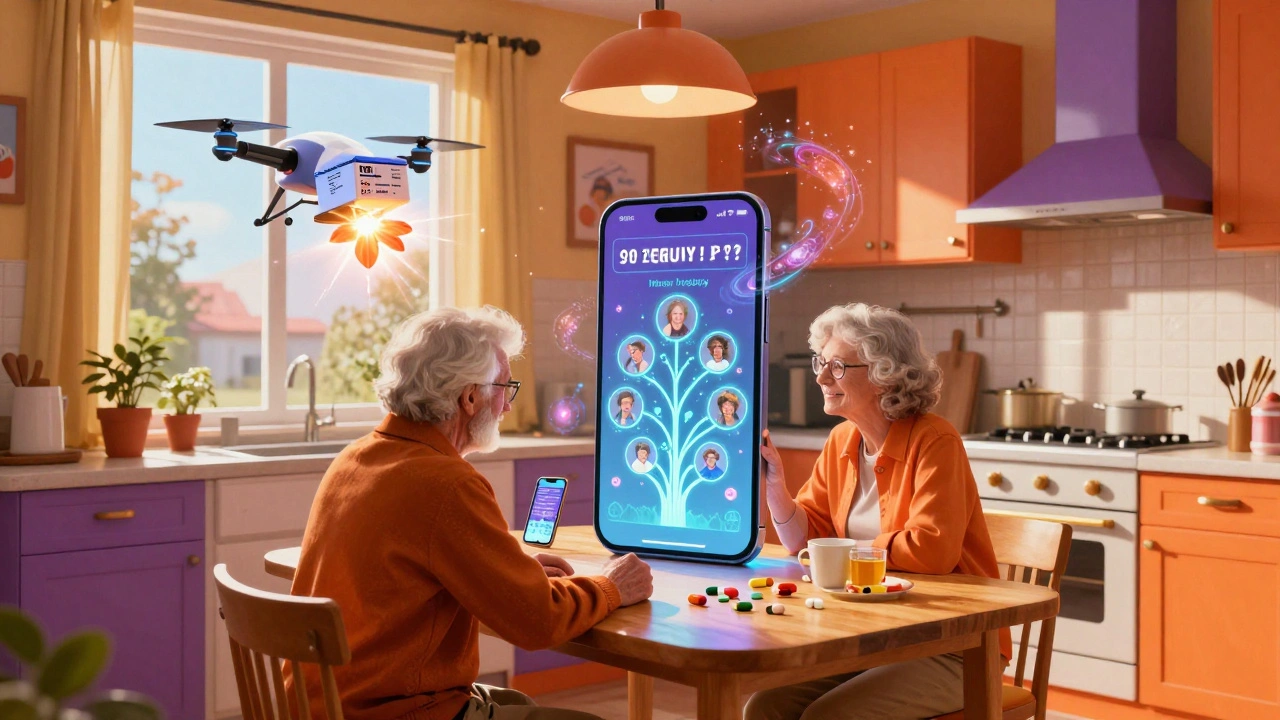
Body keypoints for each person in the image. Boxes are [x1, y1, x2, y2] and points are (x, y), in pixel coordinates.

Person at [288, 306, 654, 720]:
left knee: (520, 705)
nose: (508, 408)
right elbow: (536, 623)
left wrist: (512, 572)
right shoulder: (445, 482)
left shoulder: (355, 457)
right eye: (505, 388)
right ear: (469, 396)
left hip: (323, 702)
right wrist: (610, 587)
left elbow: (416, 567)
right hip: (394, 709)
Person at [748, 303, 1008, 720]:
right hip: (876, 636)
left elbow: (932, 552)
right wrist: (775, 486)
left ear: (883, 373)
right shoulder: (841, 440)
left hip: (955, 647)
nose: (820, 377)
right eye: (821, 362)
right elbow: (805, 541)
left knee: (828, 718)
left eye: (836, 366)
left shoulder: (935, 440)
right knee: (765, 706)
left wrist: (843, 552)